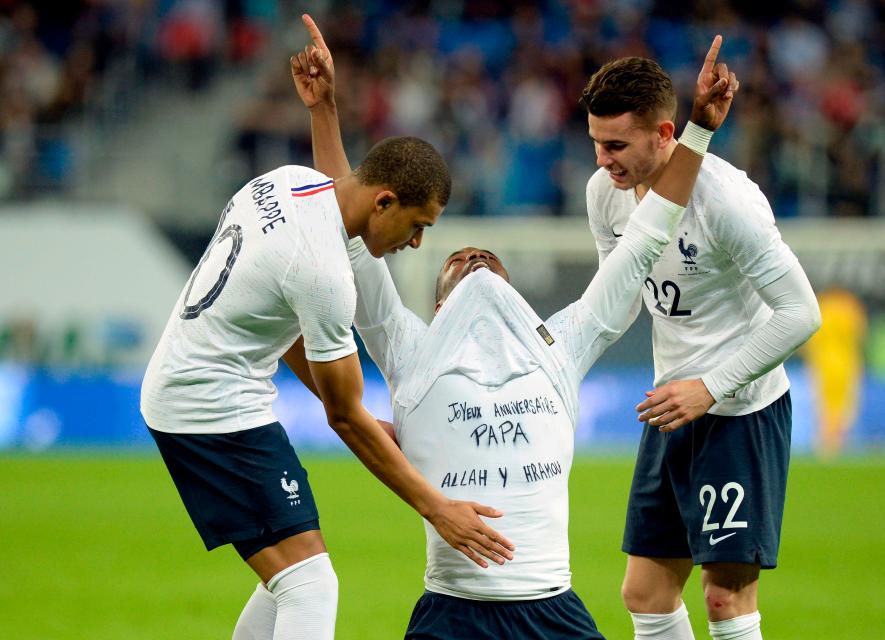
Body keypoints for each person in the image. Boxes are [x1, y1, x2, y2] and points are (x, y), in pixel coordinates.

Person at [292, 15, 738, 638]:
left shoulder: (559, 346)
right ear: (440, 304)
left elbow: (644, 240)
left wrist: (699, 132)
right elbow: (351, 228)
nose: (473, 261)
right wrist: (325, 112)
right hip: (452, 609)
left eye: (487, 262)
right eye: (457, 262)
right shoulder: (410, 350)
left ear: (514, 292)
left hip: (552, 607)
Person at [140, 102, 515, 640]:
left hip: (195, 386)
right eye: (417, 226)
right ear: (384, 202)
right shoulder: (325, 274)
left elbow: (276, 317)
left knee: (289, 578)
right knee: (310, 586)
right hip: (210, 408)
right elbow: (344, 417)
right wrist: (438, 509)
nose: (415, 244)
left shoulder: (287, 183)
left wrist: (324, 109)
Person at [579, 51, 822, 639]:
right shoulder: (604, 193)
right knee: (645, 592)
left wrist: (711, 388)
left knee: (725, 598)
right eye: (596, 142)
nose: (601, 159)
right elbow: (621, 297)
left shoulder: (726, 202)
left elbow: (801, 313)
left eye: (616, 145)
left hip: (739, 409)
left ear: (666, 134)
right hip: (672, 408)